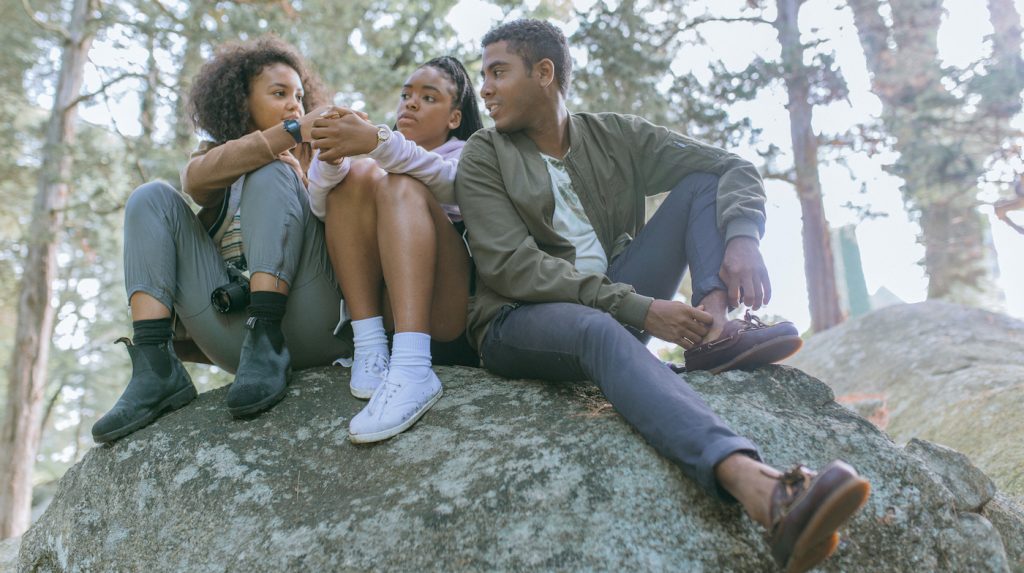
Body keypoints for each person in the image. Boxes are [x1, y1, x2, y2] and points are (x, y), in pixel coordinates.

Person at [454, 19, 870, 573]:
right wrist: (640, 308)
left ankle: (713, 329)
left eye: (497, 72)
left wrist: (743, 235)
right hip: (517, 321)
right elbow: (510, 266)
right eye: (483, 75)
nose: (484, 88)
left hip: (616, 296)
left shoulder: (614, 136)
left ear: (545, 73)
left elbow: (728, 166)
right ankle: (760, 488)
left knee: (700, 184)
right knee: (595, 329)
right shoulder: (484, 153)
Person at [92, 36, 349, 443]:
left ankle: (268, 331)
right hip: (237, 346)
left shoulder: (318, 157)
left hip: (313, 318)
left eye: (300, 97)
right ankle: (156, 369)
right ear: (241, 101)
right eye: (279, 93)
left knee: (272, 170)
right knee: (150, 197)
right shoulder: (214, 159)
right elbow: (194, 182)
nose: (295, 105)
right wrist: (288, 132)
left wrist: (299, 148)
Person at [305, 56, 484, 443]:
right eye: (406, 95)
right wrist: (332, 161)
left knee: (400, 182)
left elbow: (454, 185)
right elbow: (320, 207)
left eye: (428, 97)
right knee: (359, 175)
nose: (411, 103)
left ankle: (413, 367)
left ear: (454, 117)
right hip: (386, 319)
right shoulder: (373, 161)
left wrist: (379, 142)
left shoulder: (471, 152)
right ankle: (369, 349)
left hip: (446, 316)